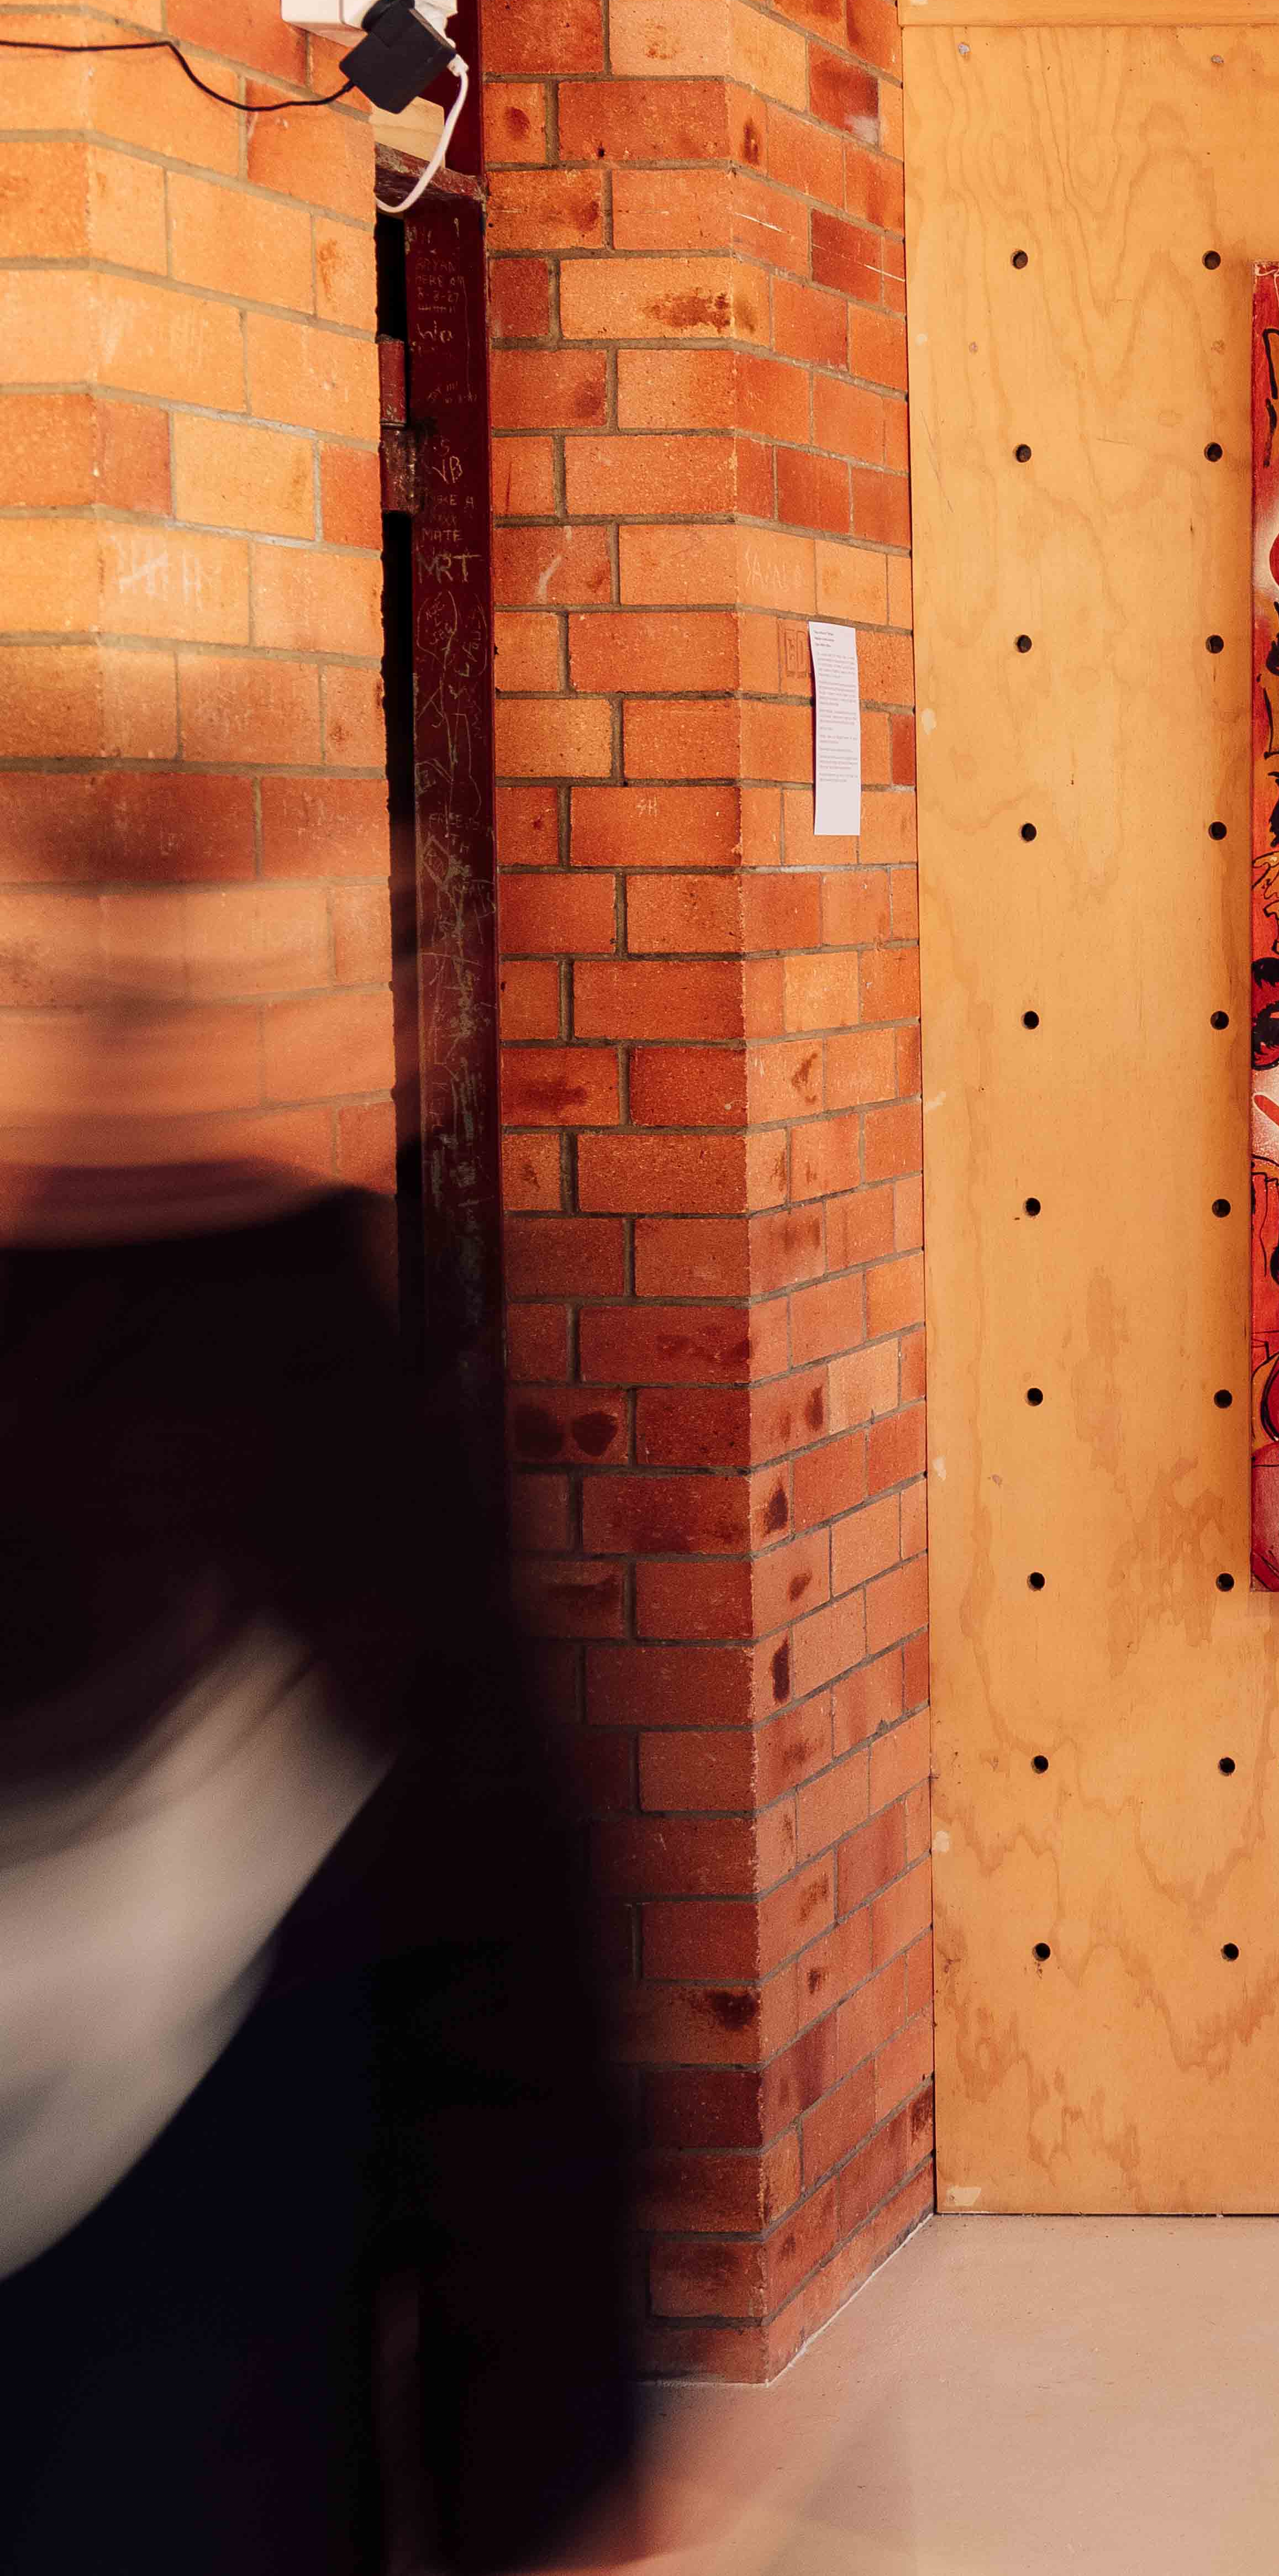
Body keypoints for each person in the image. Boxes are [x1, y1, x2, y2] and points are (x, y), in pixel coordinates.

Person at [0, 878, 640, 2573]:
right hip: (218, 2372)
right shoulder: (316, 1397)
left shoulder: (283, 1376)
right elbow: (503, 1969)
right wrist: (551, 2467)